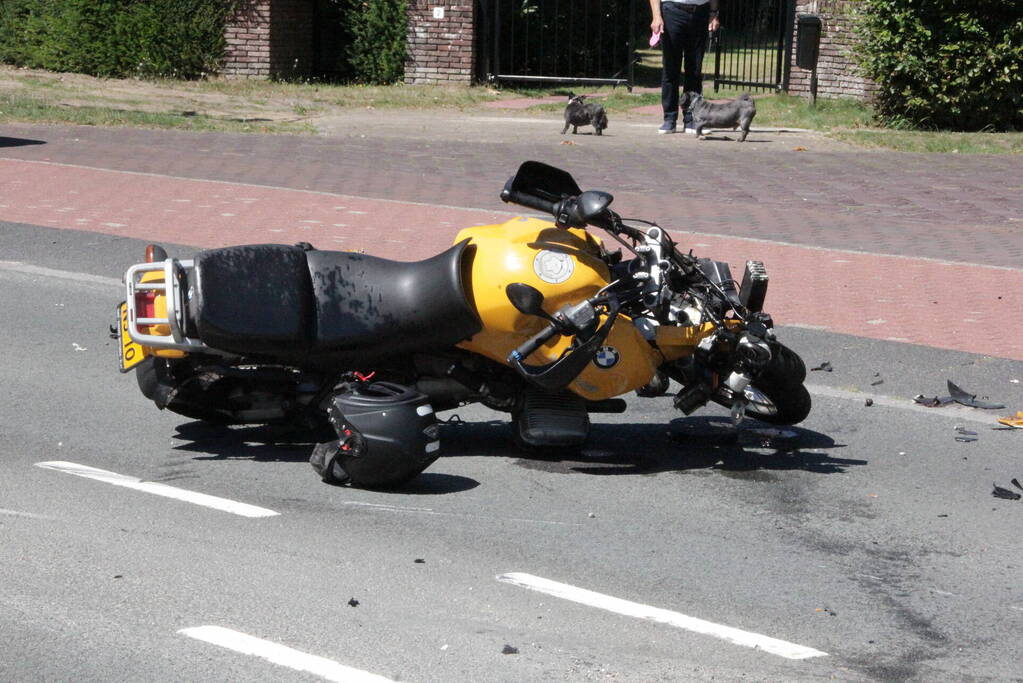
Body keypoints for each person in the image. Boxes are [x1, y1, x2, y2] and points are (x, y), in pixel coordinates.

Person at [649, 0, 721, 134]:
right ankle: (669, 119)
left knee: (694, 69)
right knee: (671, 68)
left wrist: (713, 13)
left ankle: (692, 119)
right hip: (672, 11)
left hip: (700, 11)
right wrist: (656, 16)